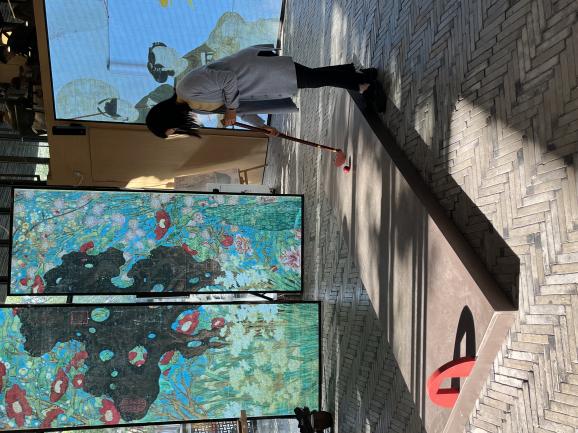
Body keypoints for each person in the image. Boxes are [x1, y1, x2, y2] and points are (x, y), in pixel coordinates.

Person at [145, 44, 383, 139]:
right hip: (263, 83)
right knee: (312, 77)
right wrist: (261, 126)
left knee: (312, 79)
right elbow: (240, 108)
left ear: (167, 118)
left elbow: (228, 81)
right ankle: (361, 76)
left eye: (172, 129)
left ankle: (365, 85)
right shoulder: (194, 106)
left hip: (260, 71)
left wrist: (230, 110)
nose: (178, 130)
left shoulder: (186, 88)